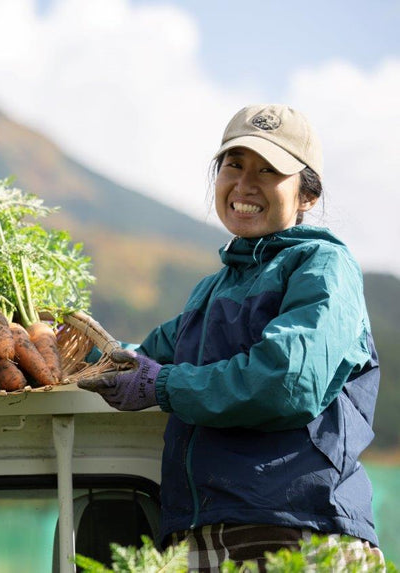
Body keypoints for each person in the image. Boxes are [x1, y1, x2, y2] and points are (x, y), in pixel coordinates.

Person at [78, 104, 383, 571]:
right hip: (208, 531)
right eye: (233, 165)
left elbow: (285, 382)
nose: (244, 184)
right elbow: (143, 355)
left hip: (298, 529)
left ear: (307, 195)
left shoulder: (322, 268)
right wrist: (75, 349)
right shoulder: (214, 289)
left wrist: (163, 387)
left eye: (268, 170)